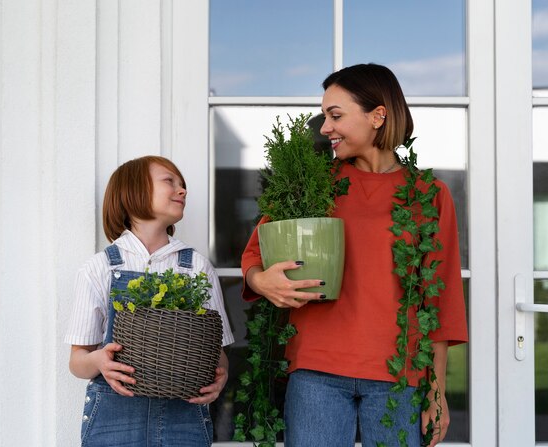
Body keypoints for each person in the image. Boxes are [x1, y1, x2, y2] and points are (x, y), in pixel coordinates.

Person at [241, 63, 468, 447]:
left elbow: (440, 302)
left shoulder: (428, 195)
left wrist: (436, 391)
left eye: (336, 115)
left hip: (399, 377)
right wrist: (261, 280)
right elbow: (254, 254)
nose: (325, 127)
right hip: (316, 371)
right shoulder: (313, 185)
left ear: (378, 115)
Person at [65, 155, 234, 446]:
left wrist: (222, 375)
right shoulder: (100, 268)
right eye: (170, 181)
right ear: (132, 192)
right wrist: (98, 361)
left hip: (184, 419)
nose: (182, 190)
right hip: (114, 423)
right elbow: (77, 361)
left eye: (183, 185)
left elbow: (215, 352)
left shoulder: (197, 267)